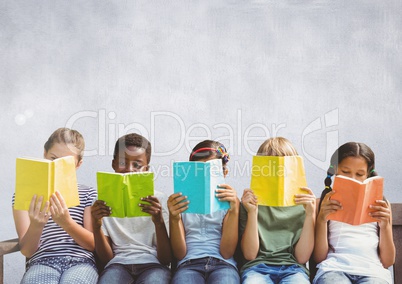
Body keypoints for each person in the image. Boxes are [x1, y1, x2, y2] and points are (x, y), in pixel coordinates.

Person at [13, 127, 98, 284]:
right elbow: (26, 250)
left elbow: (92, 245)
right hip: (41, 262)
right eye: (53, 158)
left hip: (81, 263)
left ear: (78, 164)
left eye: (65, 163)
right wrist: (37, 225)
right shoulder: (23, 195)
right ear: (44, 154)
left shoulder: (88, 194)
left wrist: (67, 222)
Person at [91, 133, 171, 284]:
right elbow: (106, 259)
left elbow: (165, 259)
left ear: (147, 168)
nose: (129, 169)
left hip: (153, 265)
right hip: (117, 265)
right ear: (114, 164)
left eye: (137, 165)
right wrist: (96, 226)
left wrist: (159, 222)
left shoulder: (159, 201)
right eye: (122, 162)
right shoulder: (101, 202)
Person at [313, 142, 395, 284]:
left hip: (373, 272)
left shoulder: (381, 205)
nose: (352, 179)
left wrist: (385, 226)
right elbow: (319, 257)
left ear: (368, 174)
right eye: (345, 172)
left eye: (359, 174)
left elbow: (387, 261)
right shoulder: (323, 203)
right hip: (333, 269)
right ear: (335, 170)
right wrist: (321, 220)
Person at [240, 137, 316, 284]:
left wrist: (309, 215)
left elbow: (302, 258)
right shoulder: (249, 204)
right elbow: (249, 254)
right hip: (256, 268)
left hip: (294, 269)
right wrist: (252, 212)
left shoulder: (304, 205)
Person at [168, 140, 240, 284]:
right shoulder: (180, 202)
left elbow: (227, 253)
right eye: (199, 171)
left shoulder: (230, 202)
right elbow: (179, 254)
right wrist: (174, 218)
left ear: (224, 172)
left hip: (223, 264)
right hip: (188, 264)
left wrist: (234, 211)